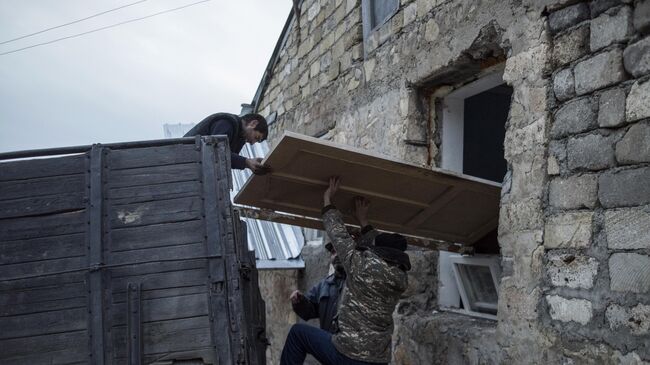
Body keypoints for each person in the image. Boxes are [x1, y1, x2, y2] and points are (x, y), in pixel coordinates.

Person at [280, 177, 411, 365]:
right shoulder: (400, 277)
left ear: (378, 252)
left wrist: (327, 200)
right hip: (378, 359)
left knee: (297, 333)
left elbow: (338, 234)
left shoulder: (361, 266)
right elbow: (374, 245)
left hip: (349, 355)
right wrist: (363, 221)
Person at [184, 112, 270, 174]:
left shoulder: (240, 138)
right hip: (184, 162)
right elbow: (216, 151)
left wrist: (250, 163)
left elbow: (227, 160)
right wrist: (247, 162)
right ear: (253, 123)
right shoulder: (227, 122)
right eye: (256, 137)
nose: (252, 143)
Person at [290, 240, 346, 333]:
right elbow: (309, 311)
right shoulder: (324, 286)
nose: (336, 255)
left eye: (339, 250)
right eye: (333, 252)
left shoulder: (359, 283)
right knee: (297, 331)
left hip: (351, 344)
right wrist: (299, 301)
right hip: (328, 341)